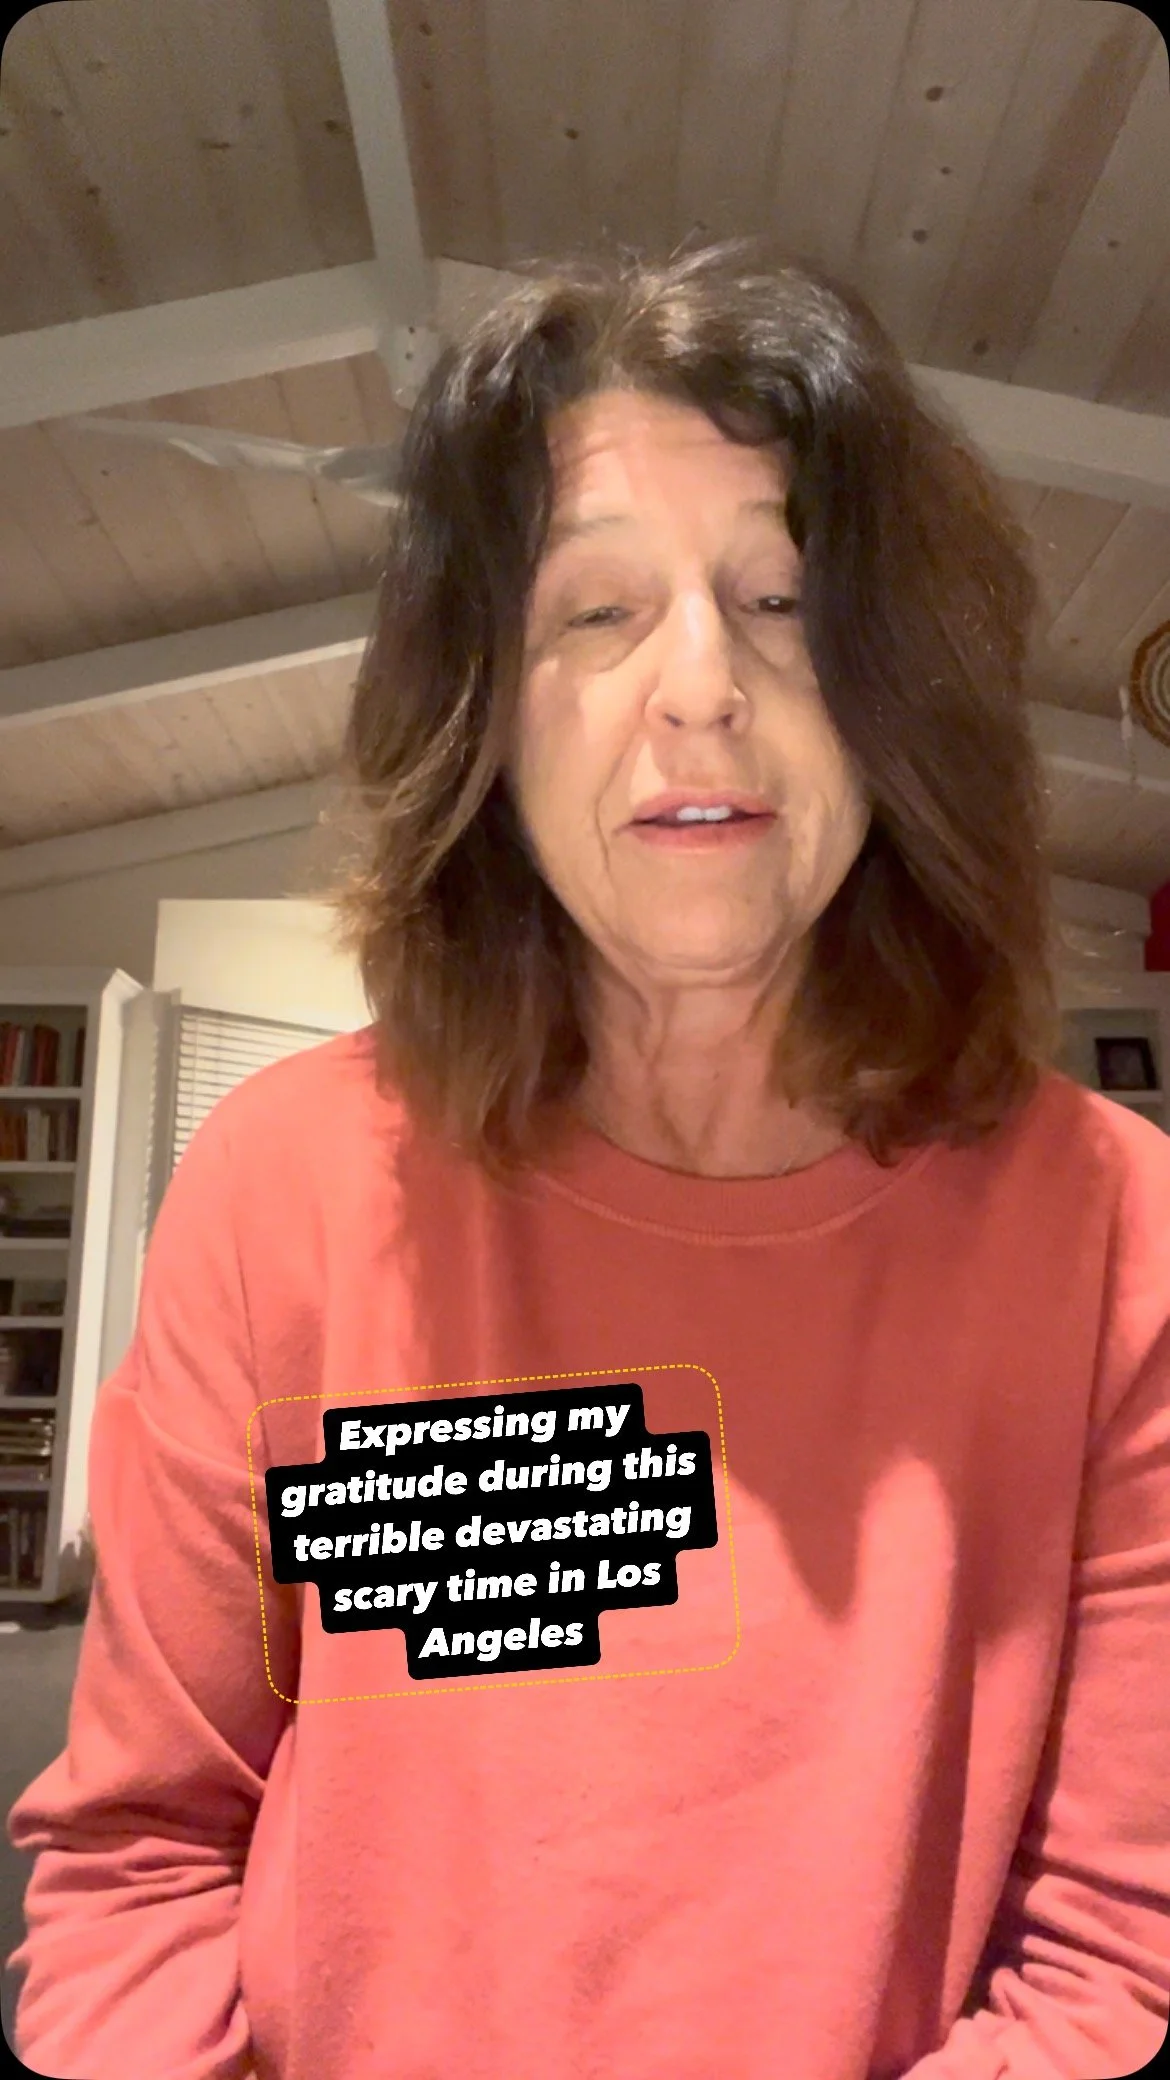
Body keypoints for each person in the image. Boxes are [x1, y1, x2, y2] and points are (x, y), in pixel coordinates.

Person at [7, 242, 1170, 2080]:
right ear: (481, 709)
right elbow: (145, 1857)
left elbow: (1115, 1957)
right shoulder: (285, 1189)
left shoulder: (1111, 1232)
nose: (700, 684)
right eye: (595, 609)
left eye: (782, 598)